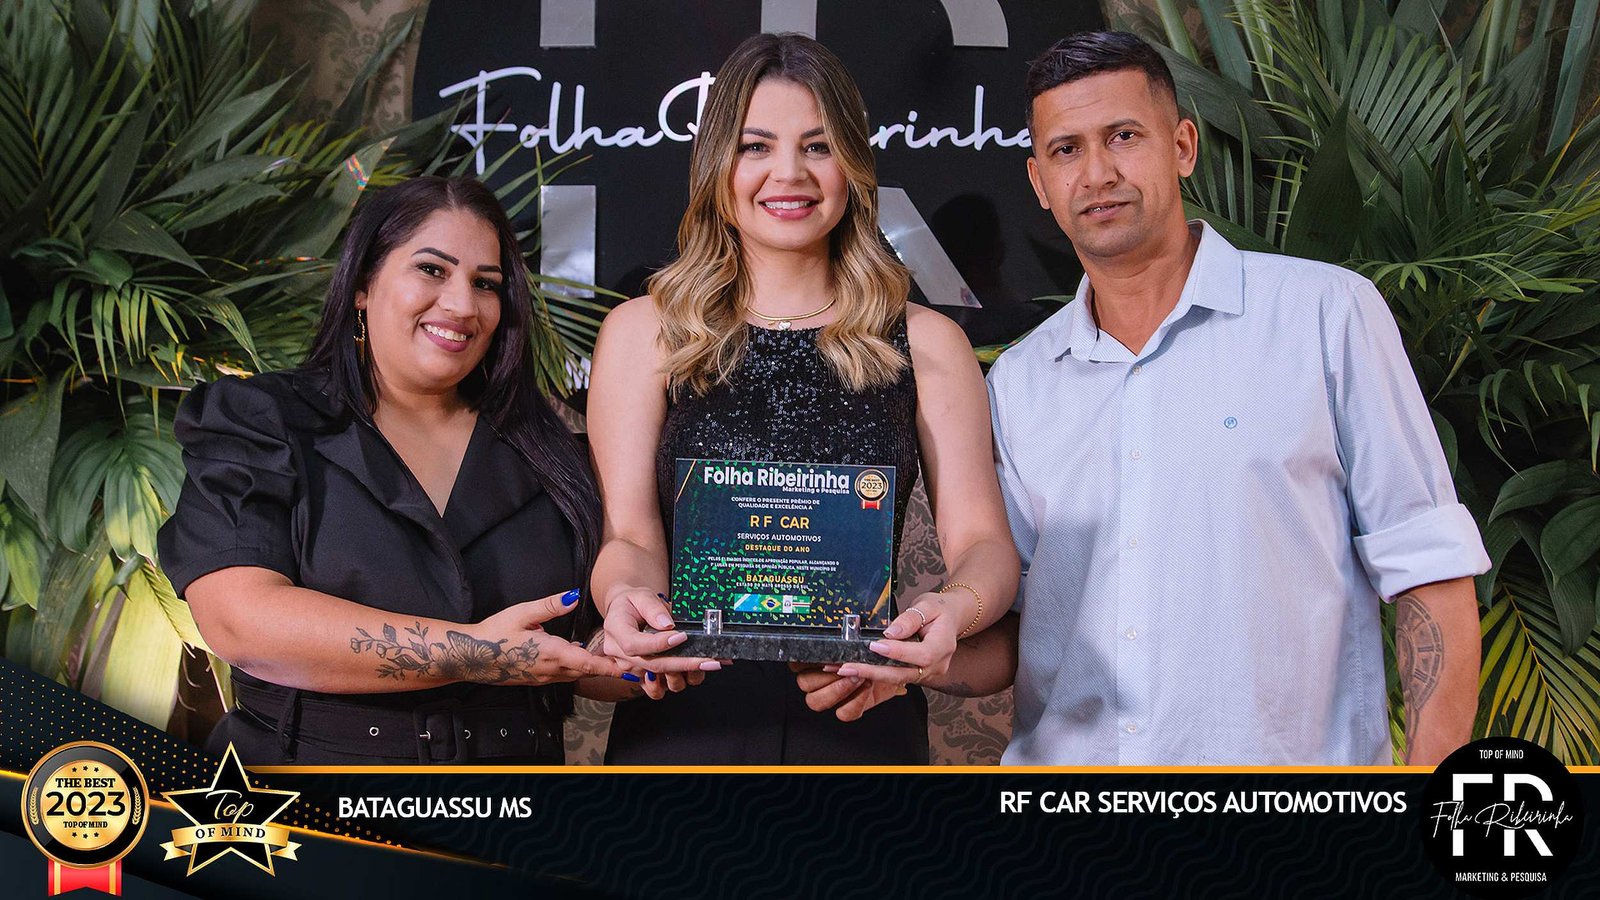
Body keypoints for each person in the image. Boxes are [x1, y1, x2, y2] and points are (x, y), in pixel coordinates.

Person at [927, 31, 1490, 766]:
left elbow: (1428, 570)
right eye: (1067, 150)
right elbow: (1017, 633)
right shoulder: (1021, 380)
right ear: (1039, 182)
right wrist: (901, 653)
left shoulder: (1325, 317)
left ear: (1182, 146)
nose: (1097, 173)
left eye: (1124, 136)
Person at [586, 32, 1019, 764]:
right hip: (685, 727)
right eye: (756, 146)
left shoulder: (928, 341)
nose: (788, 173)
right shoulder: (644, 331)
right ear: (717, 164)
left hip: (862, 719)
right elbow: (628, 536)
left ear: (852, 165)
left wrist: (954, 608)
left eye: (818, 147)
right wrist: (627, 600)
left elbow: (985, 545)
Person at [157, 176, 624, 765]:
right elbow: (238, 621)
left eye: (485, 284)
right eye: (432, 270)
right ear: (362, 284)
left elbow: (582, 656)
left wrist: (632, 660)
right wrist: (474, 653)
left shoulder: (552, 451)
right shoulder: (260, 419)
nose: (462, 305)